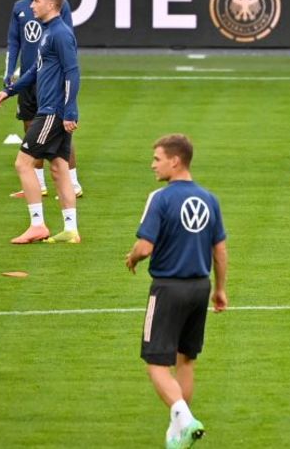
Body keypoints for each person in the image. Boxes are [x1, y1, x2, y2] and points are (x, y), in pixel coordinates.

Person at [125, 134, 228, 449]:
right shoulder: (209, 199)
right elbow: (220, 250)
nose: (152, 165)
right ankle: (180, 429)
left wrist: (132, 257)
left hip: (168, 289)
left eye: (157, 159)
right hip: (200, 287)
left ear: (175, 161)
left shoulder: (161, 198)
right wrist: (220, 290)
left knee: (156, 362)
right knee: (186, 360)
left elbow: (145, 247)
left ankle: (184, 418)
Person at [0, 0, 82, 244]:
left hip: (52, 112)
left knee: (23, 164)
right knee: (59, 168)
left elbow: (72, 72)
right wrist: (10, 91)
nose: (32, 6)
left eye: (37, 1)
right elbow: (33, 70)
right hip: (54, 111)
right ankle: (70, 229)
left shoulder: (61, 34)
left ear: (52, 5)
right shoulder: (47, 32)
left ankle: (37, 225)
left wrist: (70, 111)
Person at [5, 0, 83, 198]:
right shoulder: (21, 7)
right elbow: (13, 42)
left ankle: (73, 182)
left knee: (61, 128)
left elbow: (69, 43)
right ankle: (37, 183)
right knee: (31, 127)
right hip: (30, 77)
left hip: (50, 80)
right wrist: (9, 76)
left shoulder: (59, 8)